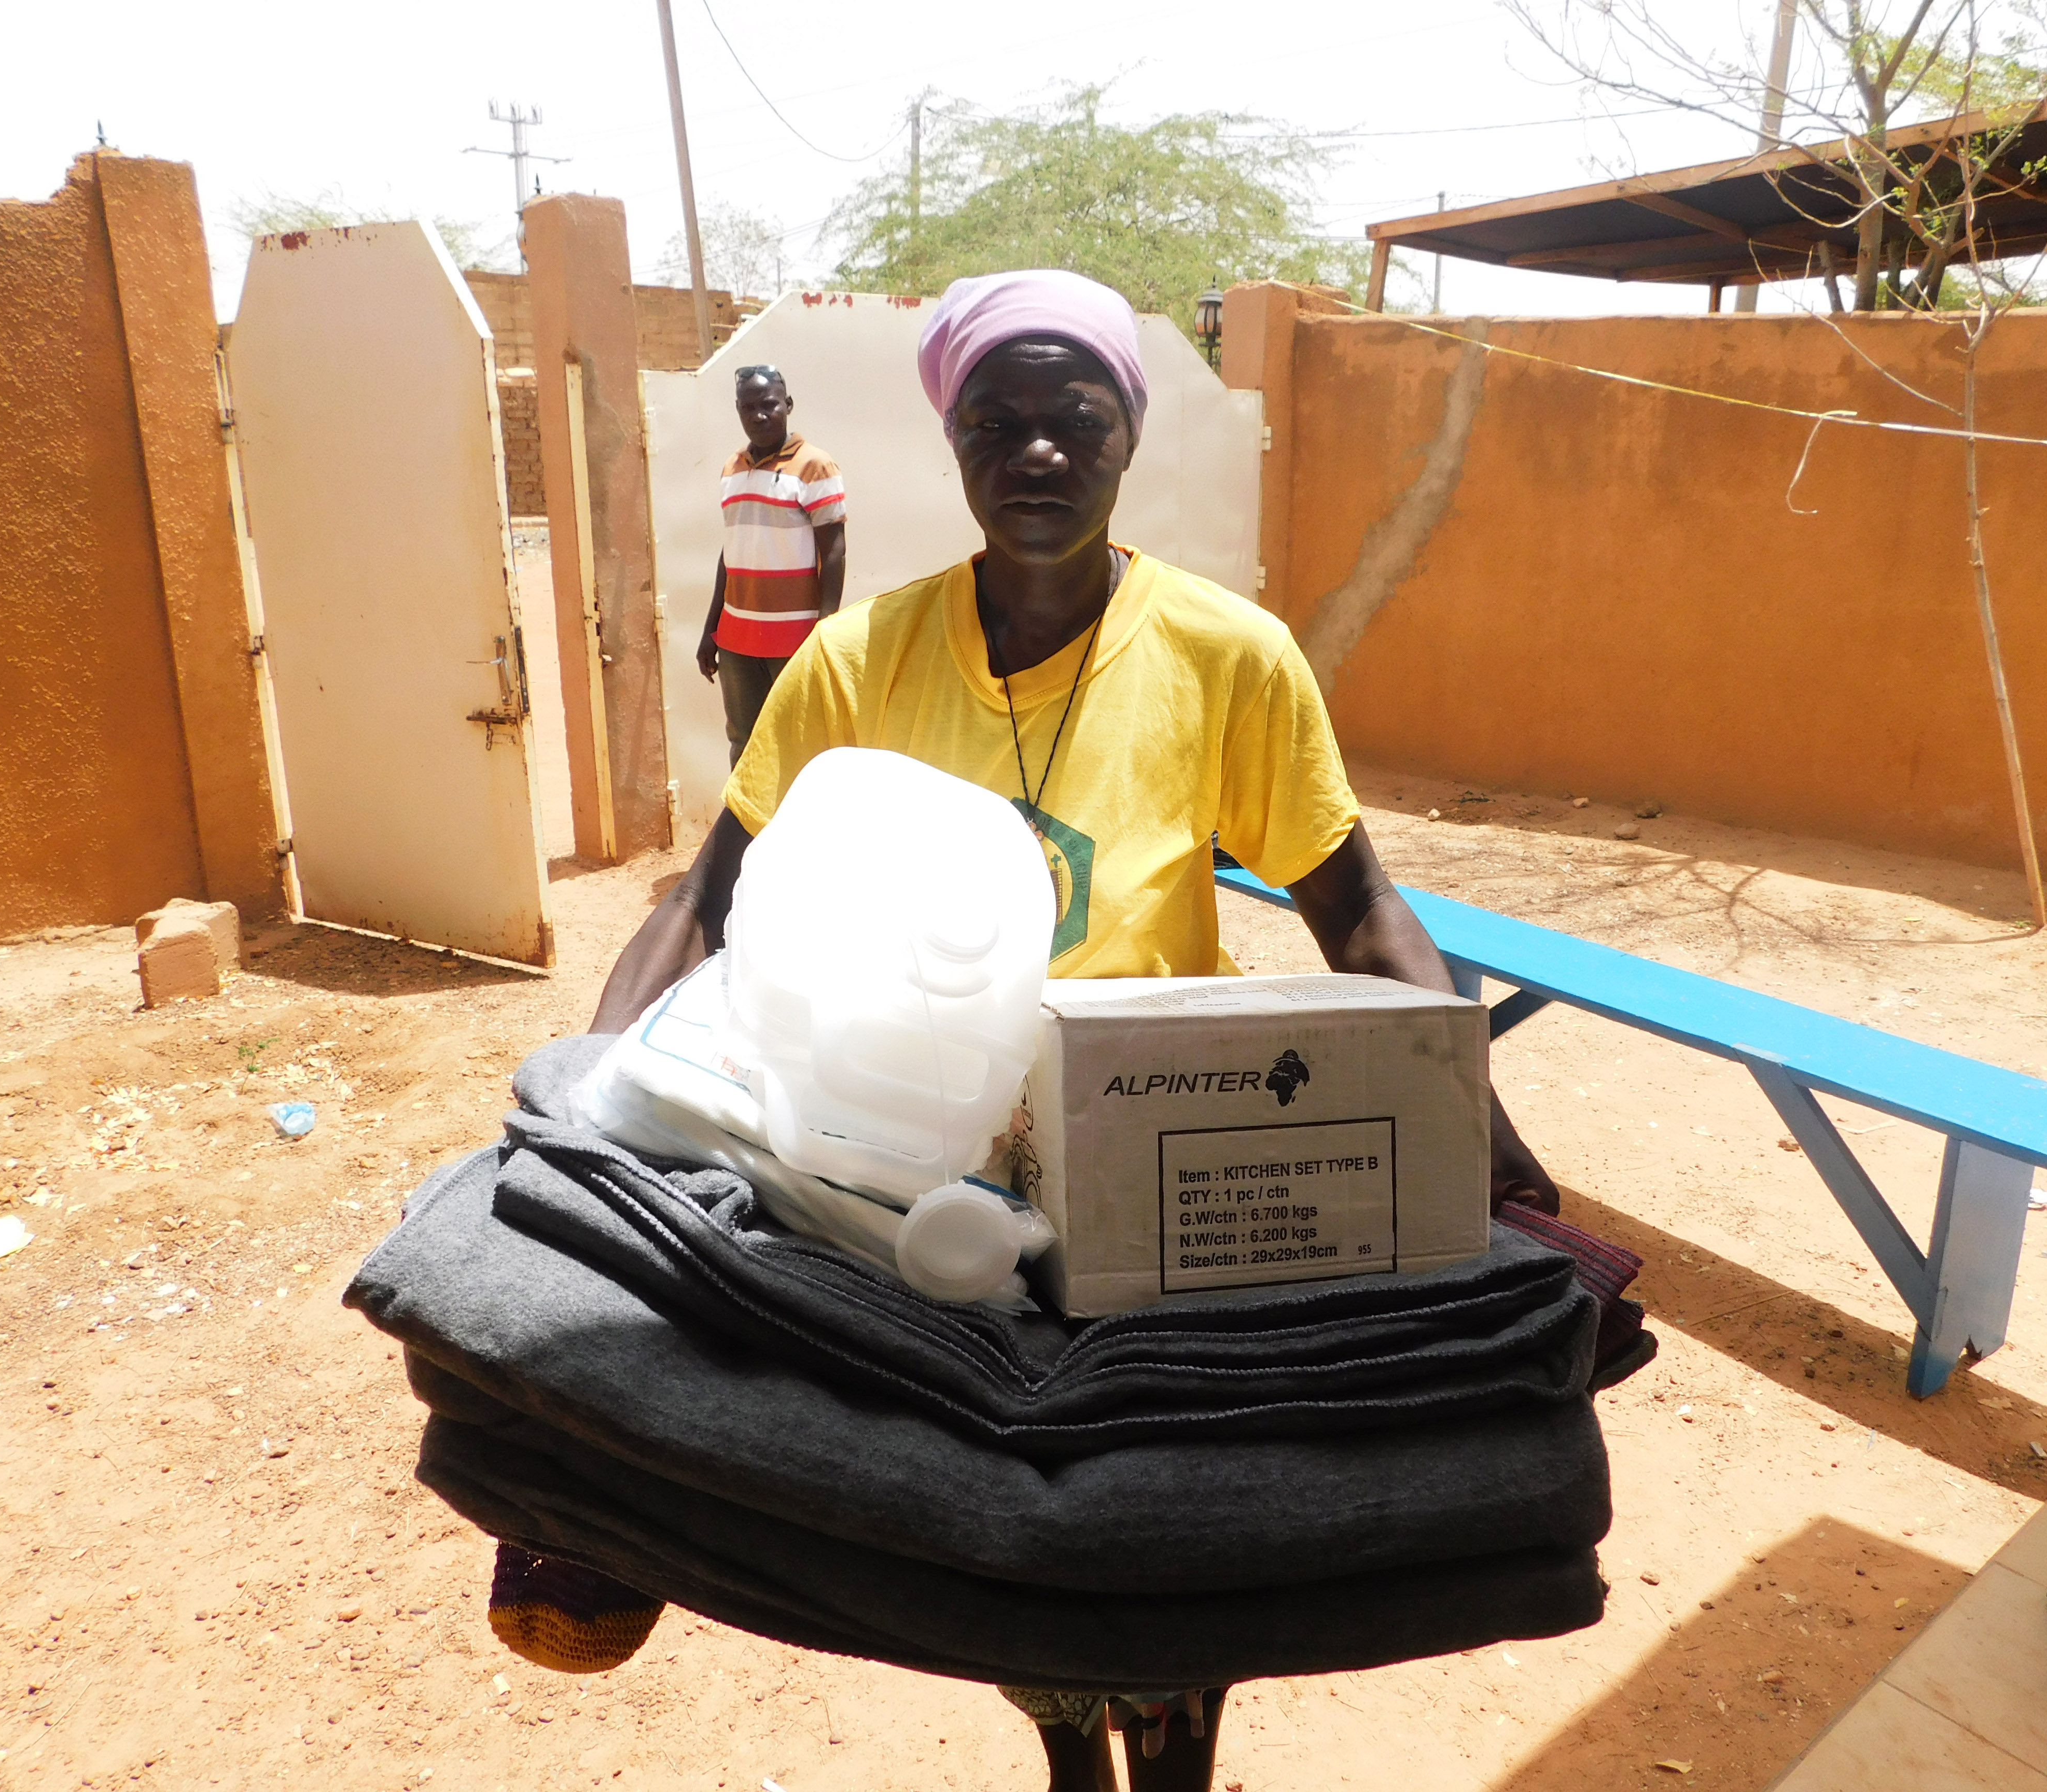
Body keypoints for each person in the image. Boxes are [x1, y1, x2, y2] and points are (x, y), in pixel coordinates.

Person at [589, 268, 1559, 1792]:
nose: (1036, 450)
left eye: (1073, 418)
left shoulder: (1229, 658)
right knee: (999, 1536)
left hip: (1161, 1156)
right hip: (923, 1155)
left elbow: (1359, 913)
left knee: (1175, 1547)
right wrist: (580, 1108)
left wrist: (1476, 1135)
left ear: (1128, 437)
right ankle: (1061, 1738)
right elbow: (709, 903)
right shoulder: (858, 666)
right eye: (998, 423)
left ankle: (1171, 1739)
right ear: (955, 444)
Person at [697, 364, 847, 767]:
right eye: (749, 408)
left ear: (788, 405)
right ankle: (750, 832)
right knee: (744, 746)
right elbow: (731, 551)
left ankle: (799, 831)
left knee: (800, 744)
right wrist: (712, 628)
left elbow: (834, 550)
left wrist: (824, 629)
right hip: (737, 640)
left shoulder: (815, 466)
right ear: (738, 411)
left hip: (794, 640)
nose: (759, 416)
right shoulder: (732, 468)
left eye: (769, 405)